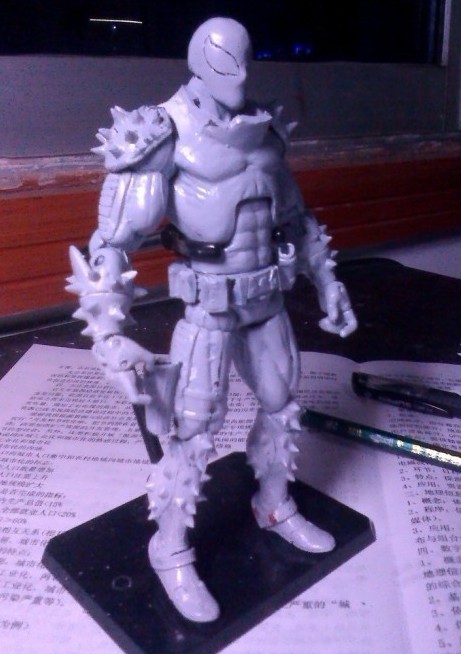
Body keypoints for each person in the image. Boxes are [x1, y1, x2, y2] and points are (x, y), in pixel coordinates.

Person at [67, 16, 357, 622]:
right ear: (201, 62)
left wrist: (329, 283)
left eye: (248, 61)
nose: (242, 76)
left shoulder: (266, 134)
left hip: (267, 300)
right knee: (192, 430)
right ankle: (169, 547)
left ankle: (273, 504)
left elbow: (297, 220)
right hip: (207, 308)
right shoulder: (163, 133)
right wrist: (110, 334)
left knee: (280, 405)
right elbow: (112, 242)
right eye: (229, 64)